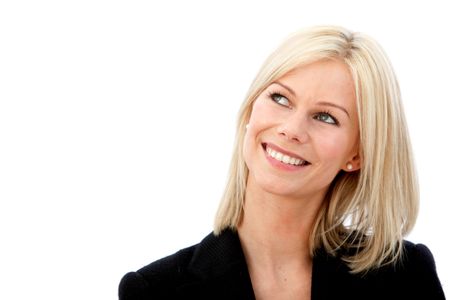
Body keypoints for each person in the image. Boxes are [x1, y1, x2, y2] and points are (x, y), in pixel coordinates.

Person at [118, 25, 446, 299]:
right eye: (280, 98)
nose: (291, 130)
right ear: (251, 109)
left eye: (325, 117)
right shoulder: (154, 291)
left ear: (356, 154)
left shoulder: (404, 276)